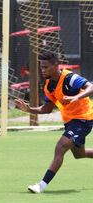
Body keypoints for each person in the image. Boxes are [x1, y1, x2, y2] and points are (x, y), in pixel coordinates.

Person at [15, 52, 93, 193]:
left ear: (56, 65)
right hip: (71, 122)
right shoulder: (49, 86)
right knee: (79, 154)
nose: (43, 70)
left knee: (60, 147)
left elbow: (91, 87)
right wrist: (29, 109)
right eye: (41, 67)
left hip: (84, 119)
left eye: (46, 67)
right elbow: (46, 109)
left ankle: (41, 185)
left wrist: (77, 96)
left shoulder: (70, 78)